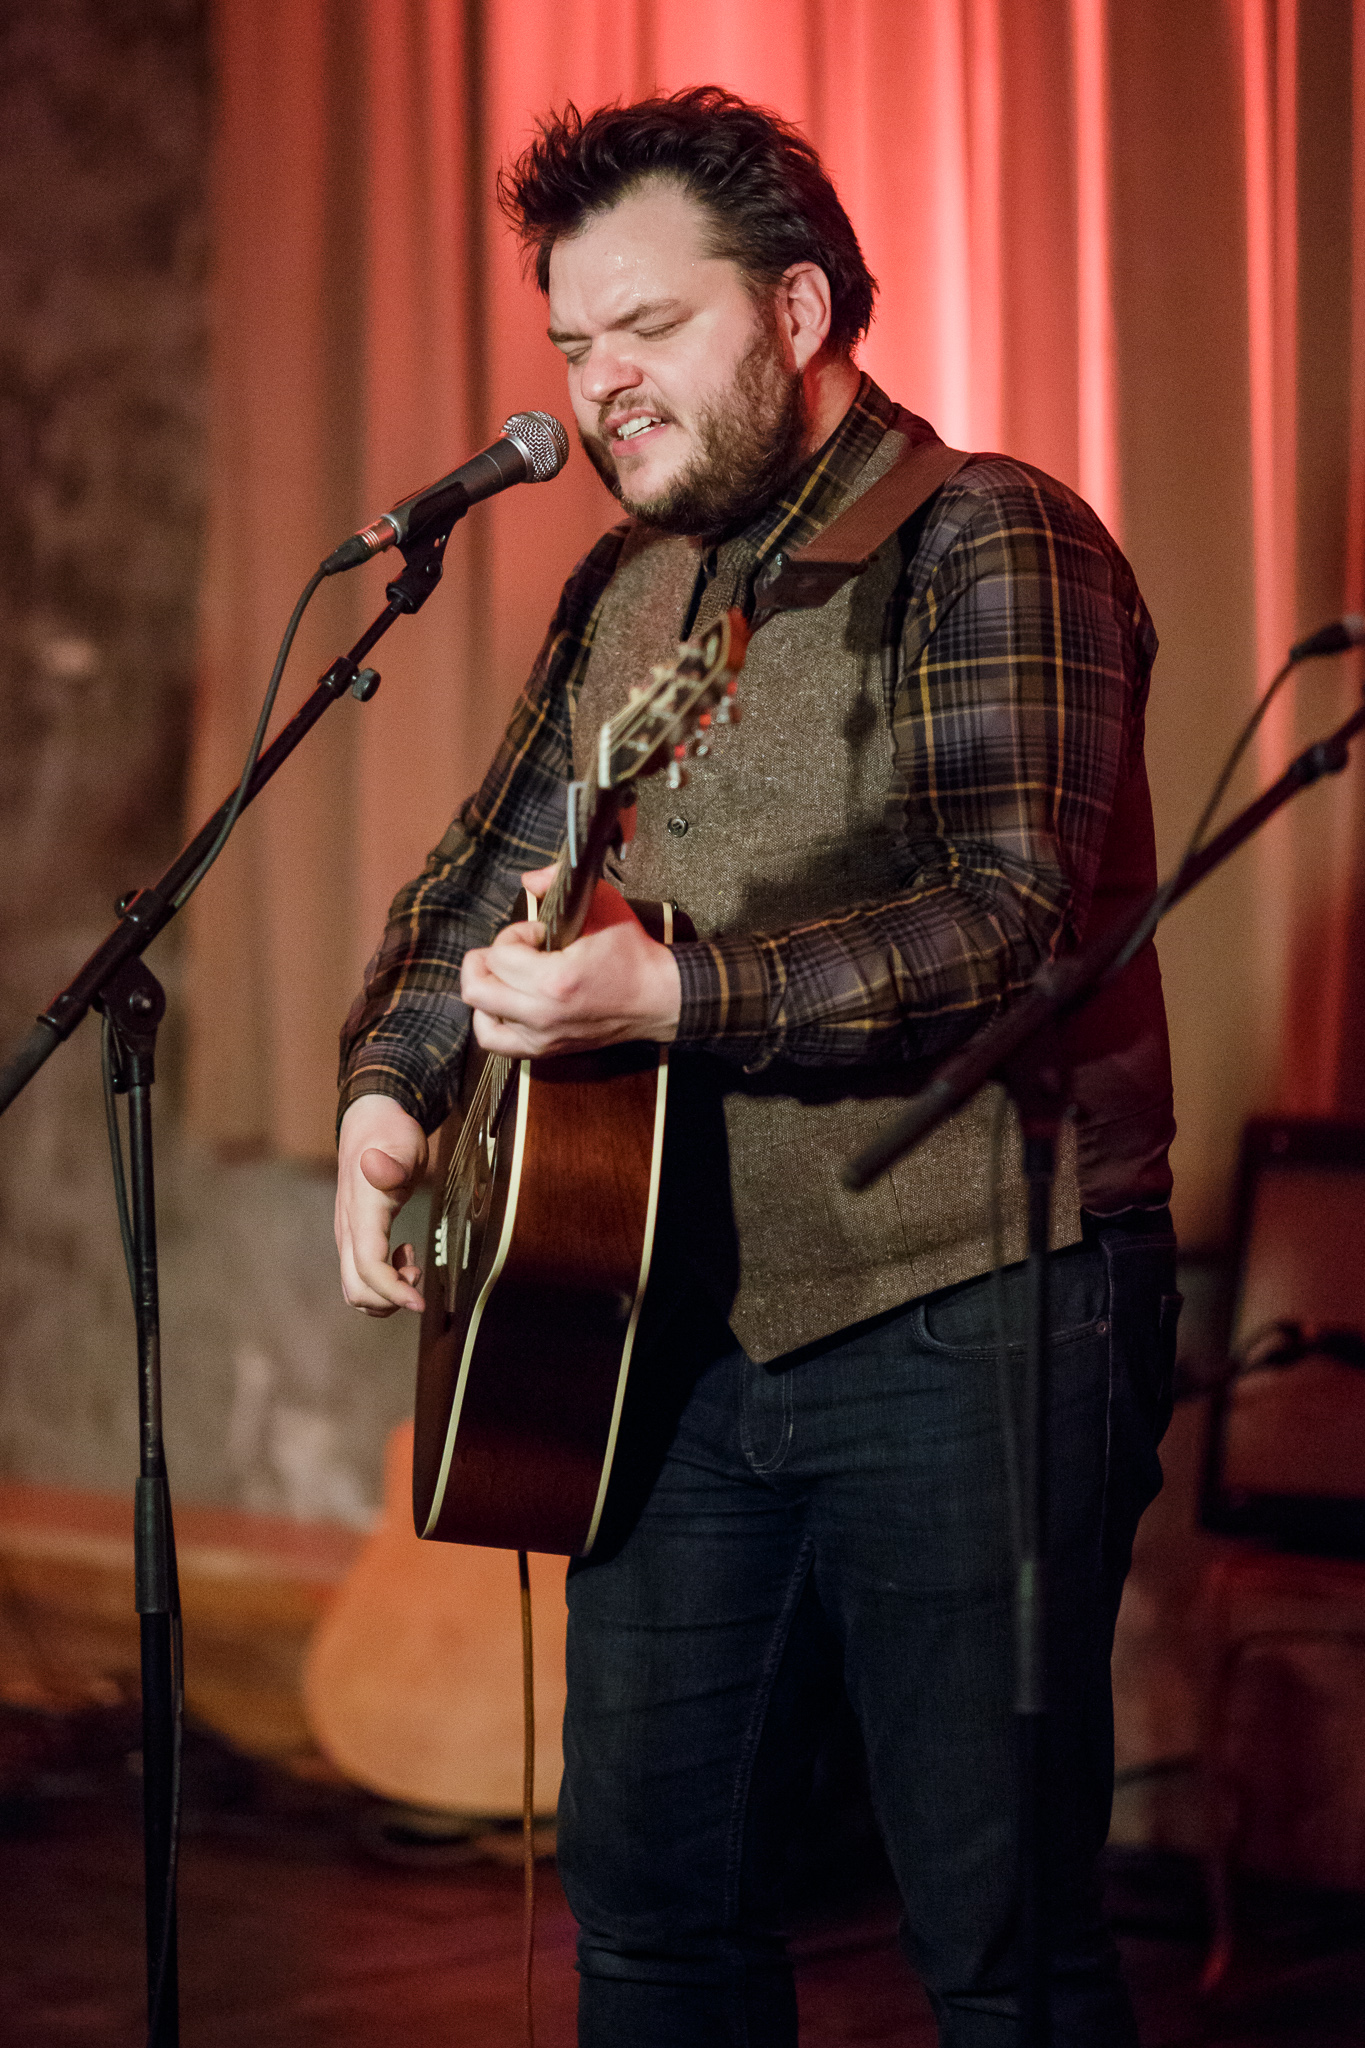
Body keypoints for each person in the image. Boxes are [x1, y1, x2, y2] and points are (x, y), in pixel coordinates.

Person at [333, 87, 1179, 2048]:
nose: (598, 386)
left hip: (978, 1306)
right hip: (672, 1333)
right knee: (647, 1905)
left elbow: (1009, 925)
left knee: (995, 1934)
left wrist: (676, 995)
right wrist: (391, 1087)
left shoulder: (991, 537)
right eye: (573, 344)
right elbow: (471, 881)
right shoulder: (624, 588)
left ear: (794, 312)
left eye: (648, 327)